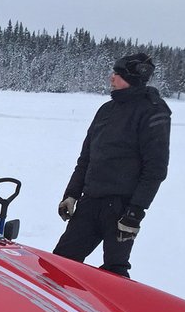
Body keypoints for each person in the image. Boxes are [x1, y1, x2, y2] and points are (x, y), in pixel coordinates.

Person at [53, 53, 171, 278]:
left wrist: (135, 212)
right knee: (60, 263)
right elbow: (86, 158)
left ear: (132, 79)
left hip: (122, 209)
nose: (111, 78)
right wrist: (71, 194)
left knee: (115, 273)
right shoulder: (106, 110)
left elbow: (156, 168)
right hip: (90, 202)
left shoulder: (153, 111)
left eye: (117, 74)